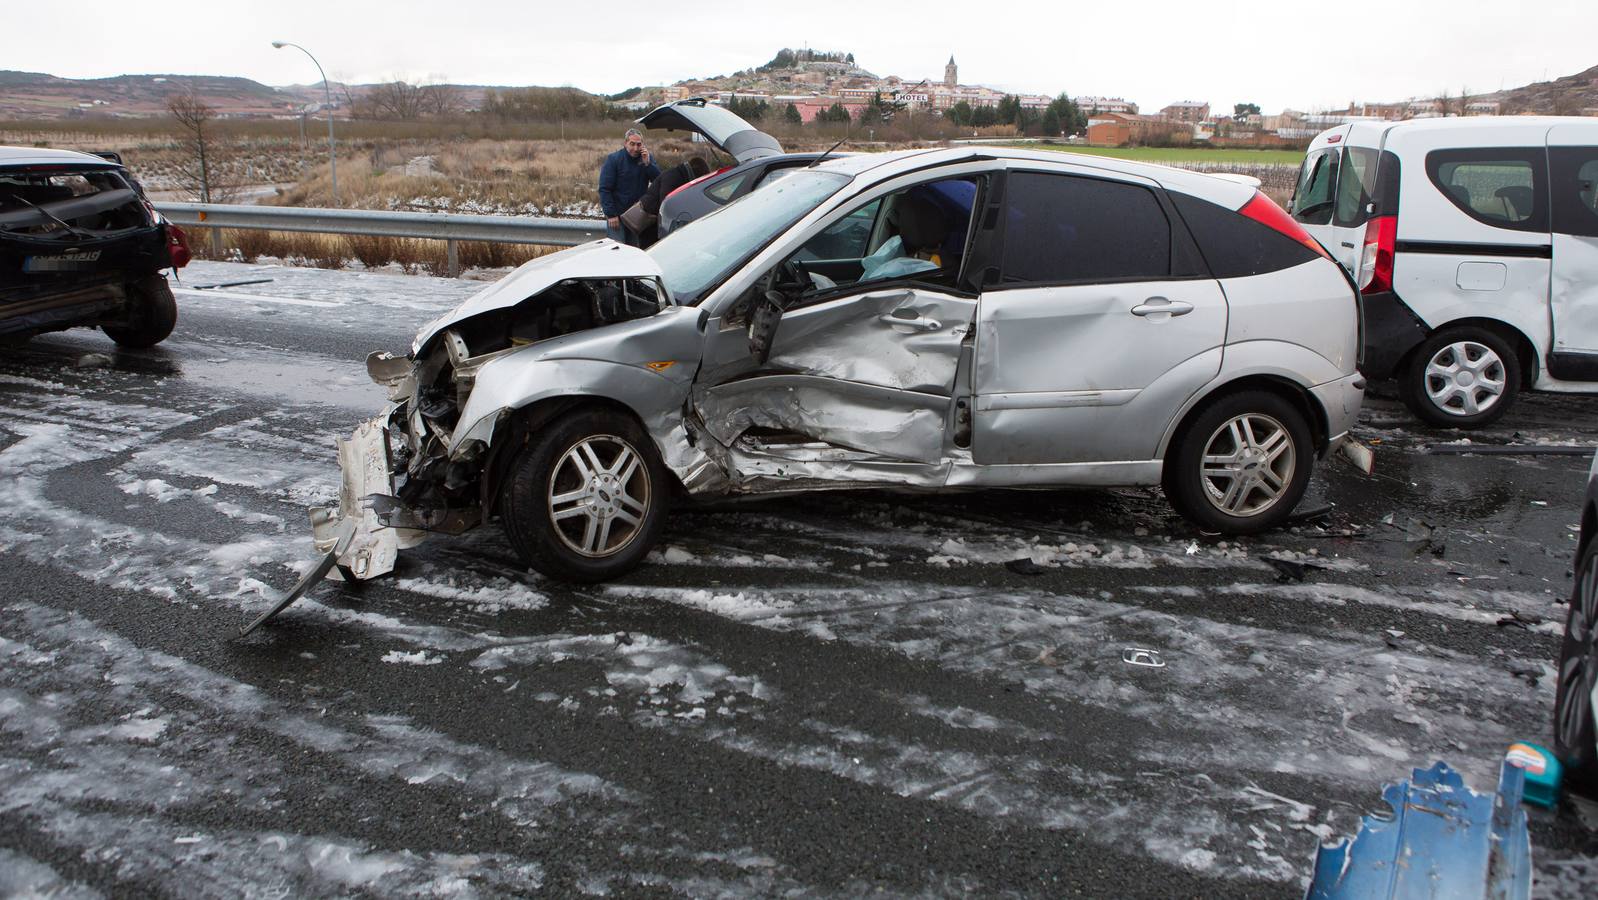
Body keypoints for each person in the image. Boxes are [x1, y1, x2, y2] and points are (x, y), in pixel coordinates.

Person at [598, 128, 660, 246]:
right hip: (617, 217)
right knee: (617, 250)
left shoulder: (647, 159)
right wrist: (611, 215)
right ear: (625, 143)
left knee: (635, 250)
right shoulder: (614, 159)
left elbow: (658, 182)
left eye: (639, 144)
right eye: (632, 144)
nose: (636, 148)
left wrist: (648, 164)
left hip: (638, 215)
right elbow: (604, 189)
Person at [636, 156, 710, 248]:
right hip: (649, 221)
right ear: (695, 173)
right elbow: (666, 203)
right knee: (651, 251)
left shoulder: (680, 175)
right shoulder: (673, 176)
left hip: (655, 220)